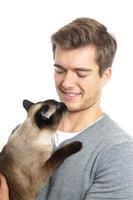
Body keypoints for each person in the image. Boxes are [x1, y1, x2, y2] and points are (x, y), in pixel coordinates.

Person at [1, 17, 133, 200]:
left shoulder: (118, 152)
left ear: (105, 75)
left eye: (81, 73)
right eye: (60, 70)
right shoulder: (22, 131)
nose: (66, 83)